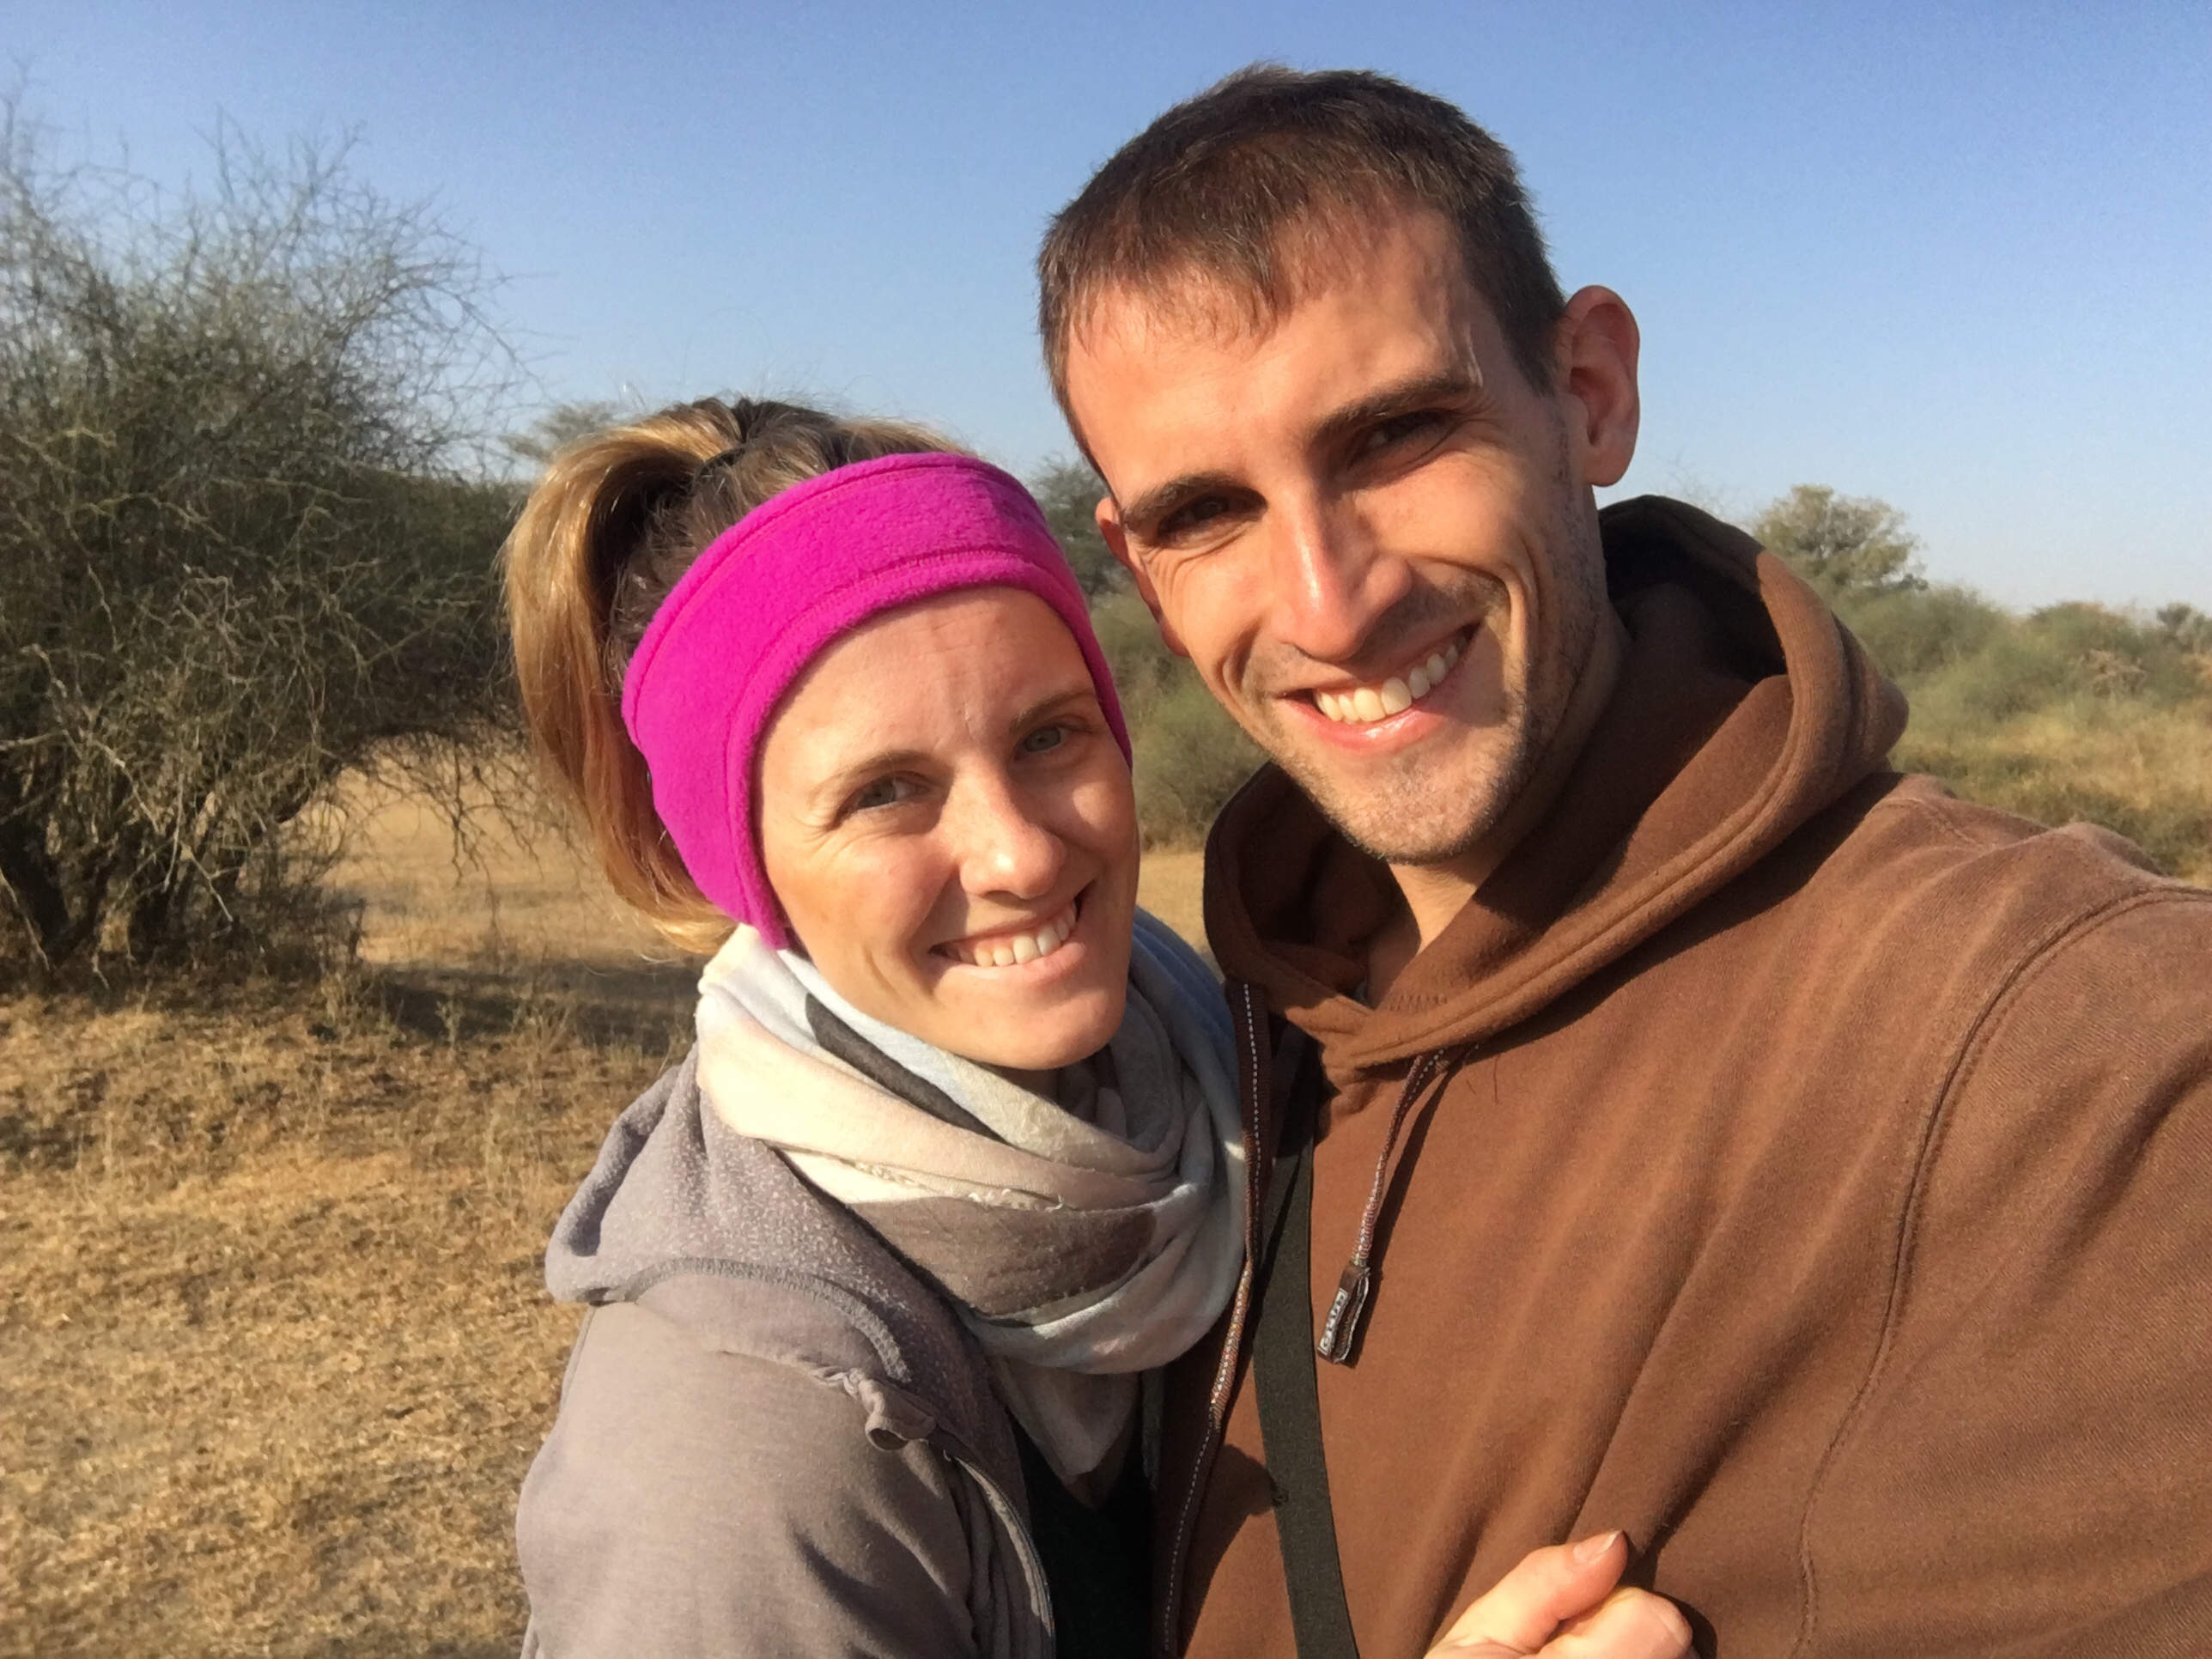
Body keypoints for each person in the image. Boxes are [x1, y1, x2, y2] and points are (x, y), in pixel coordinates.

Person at [1038, 65, 2212, 1658]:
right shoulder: (1206, 1062)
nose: (1326, 604)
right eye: (1207, 513)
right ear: (1142, 572)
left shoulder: (2042, 1038)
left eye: (1395, 433)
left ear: (1589, 391)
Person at [499, 398, 1692, 1658]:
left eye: (1050, 736)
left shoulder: (1229, 1090)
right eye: (885, 792)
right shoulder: (739, 1442)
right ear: (736, 867)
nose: (1019, 854)